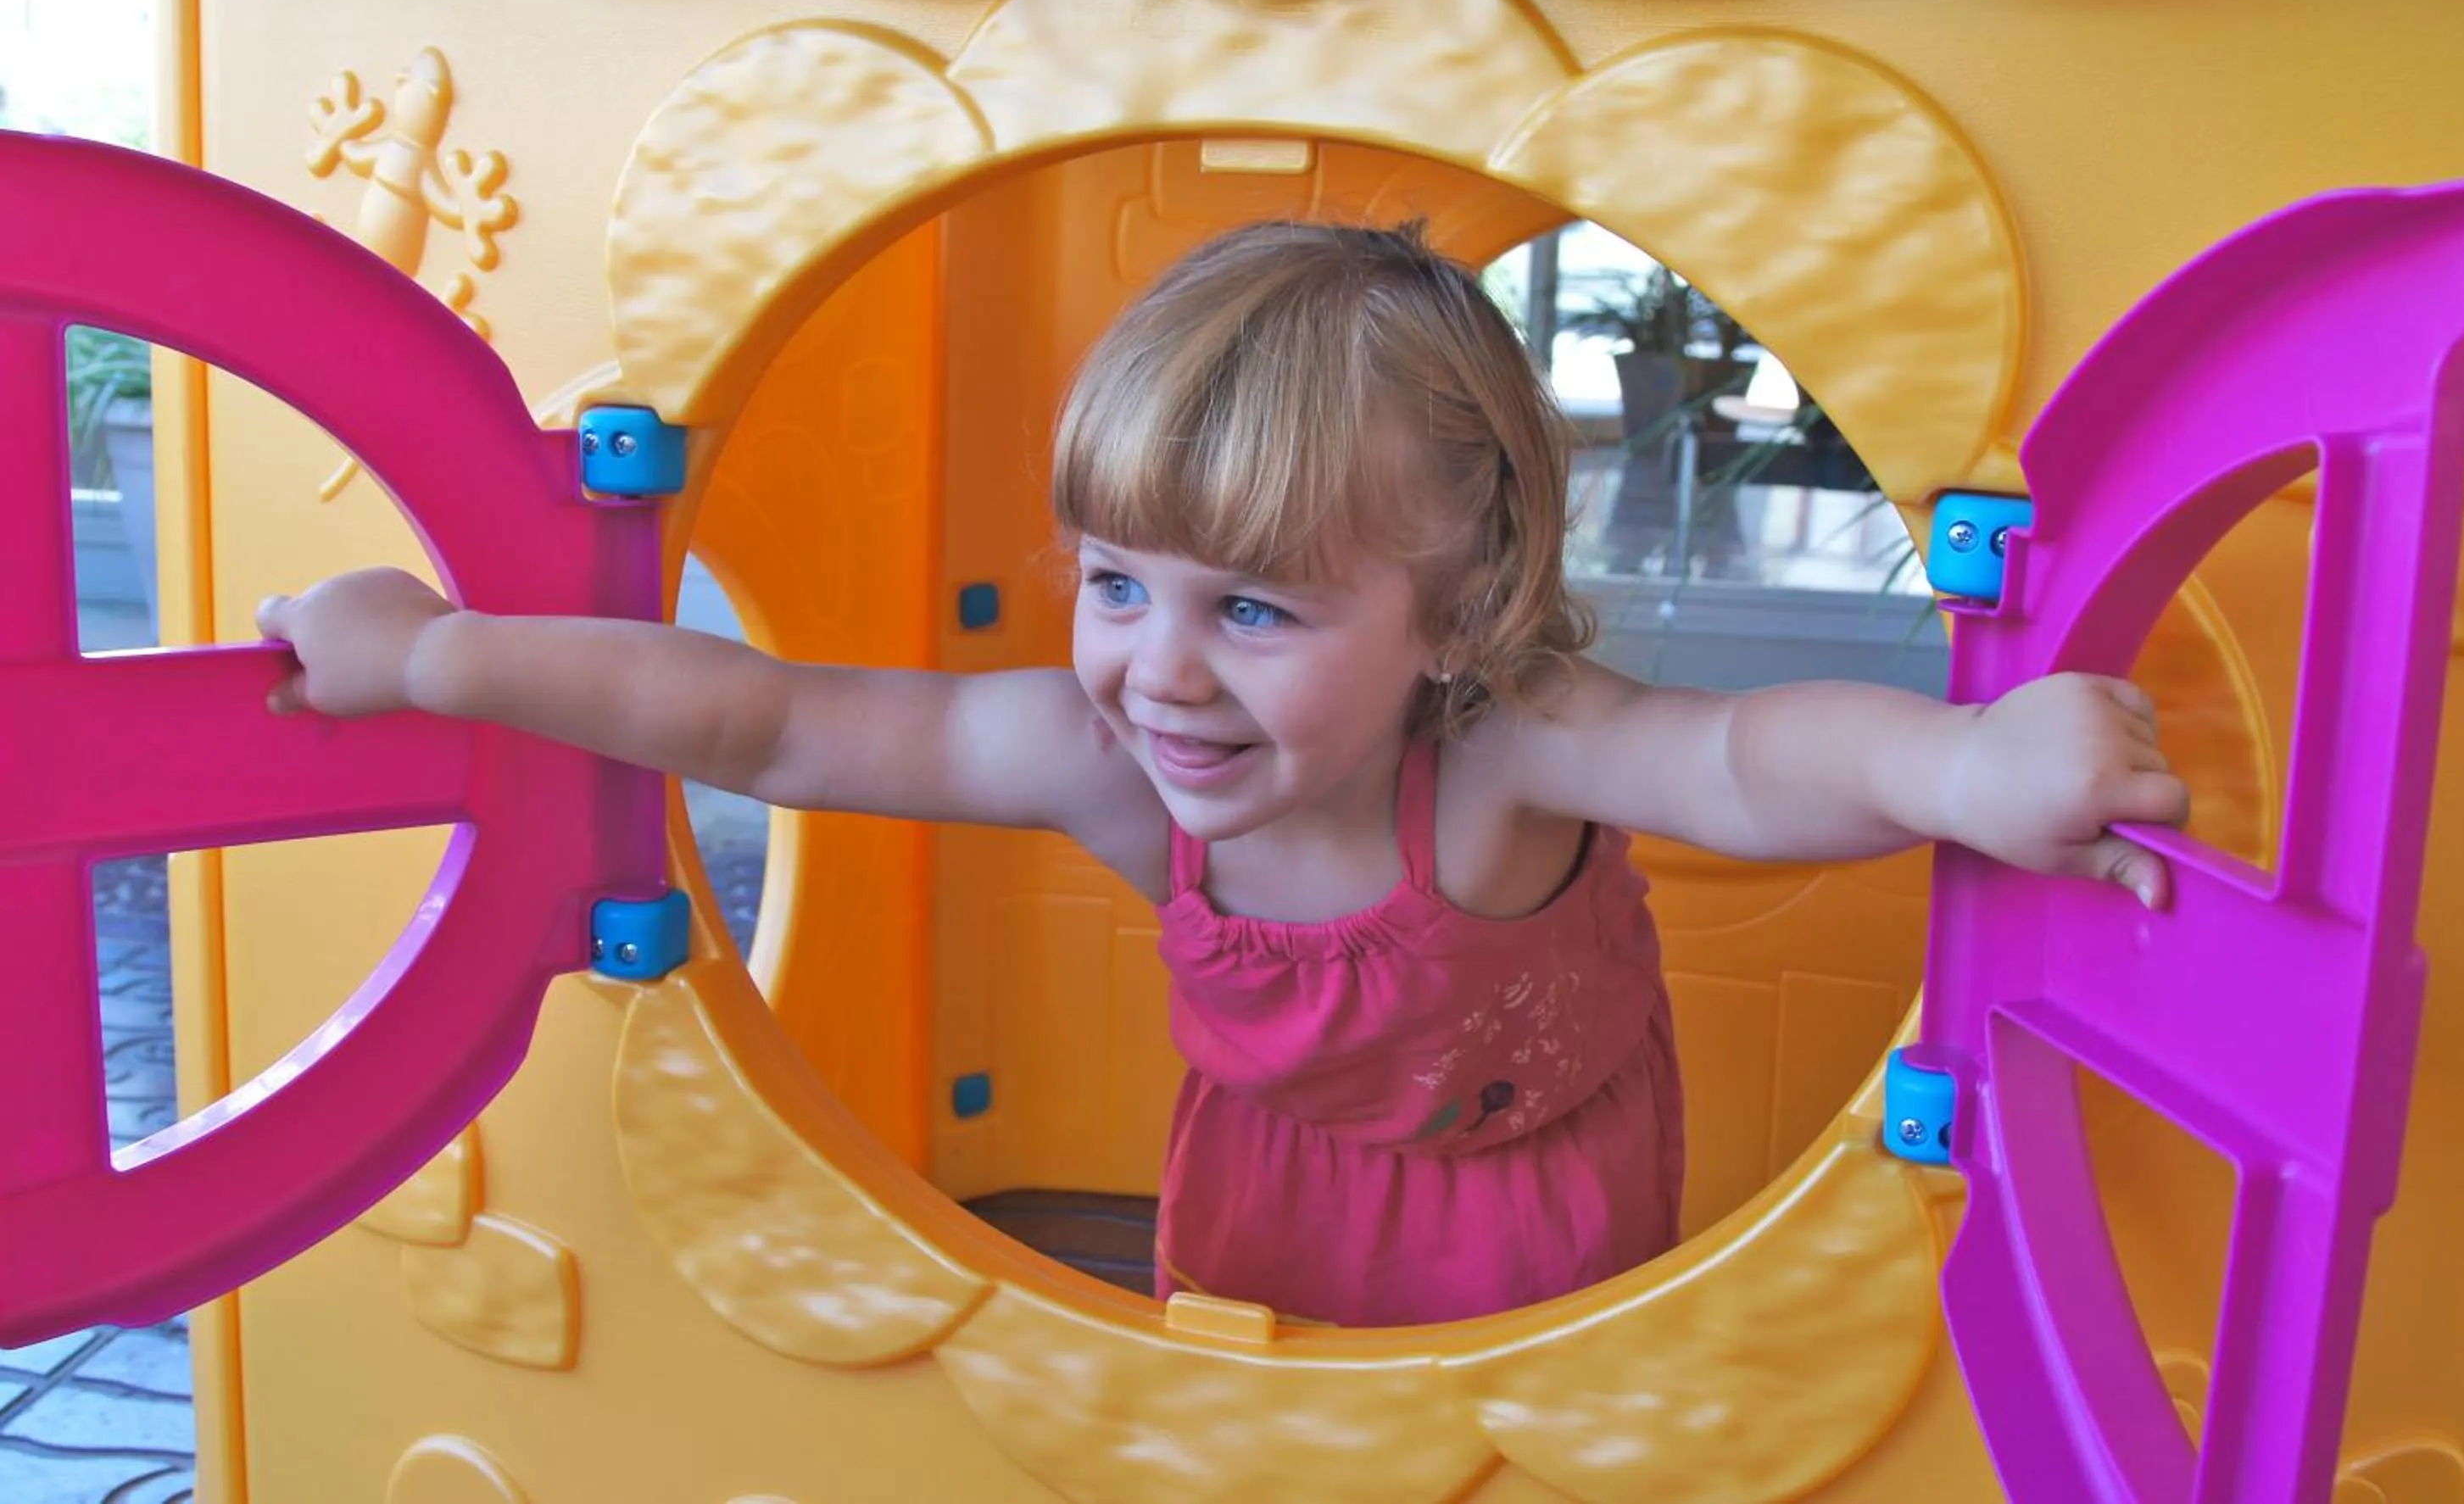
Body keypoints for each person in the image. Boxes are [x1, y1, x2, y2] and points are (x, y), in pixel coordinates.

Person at [258, 220, 2188, 1329]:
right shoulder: (1104, 753)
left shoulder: (1507, 745)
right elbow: (768, 720)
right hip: (1263, 1191)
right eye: (1117, 581)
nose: (1158, 666)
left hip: (1539, 1203)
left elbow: (1747, 758)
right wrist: (435, 656)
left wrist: (1968, 762)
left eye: (1253, 607)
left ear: (1456, 610)